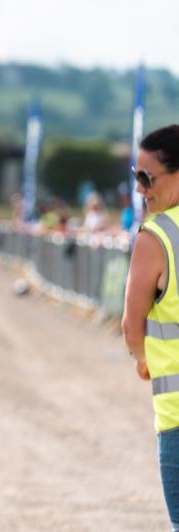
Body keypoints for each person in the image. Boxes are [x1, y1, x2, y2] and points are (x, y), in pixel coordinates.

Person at [122, 124, 179, 530]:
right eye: (135, 176)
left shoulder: (156, 237)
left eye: (147, 177)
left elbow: (131, 324)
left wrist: (143, 359)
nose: (140, 189)